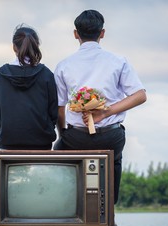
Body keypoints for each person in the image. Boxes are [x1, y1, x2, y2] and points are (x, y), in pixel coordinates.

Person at [54, 10, 147, 206]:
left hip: (75, 138)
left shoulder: (63, 66)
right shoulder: (118, 61)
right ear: (102, 33)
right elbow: (140, 95)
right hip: (110, 137)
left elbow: (59, 108)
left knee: (58, 152)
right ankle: (107, 213)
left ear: (75, 34)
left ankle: (70, 209)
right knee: (114, 160)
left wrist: (63, 133)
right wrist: (107, 112)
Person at [0, 24, 58, 150]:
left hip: (8, 142)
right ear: (37, 45)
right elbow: (53, 112)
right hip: (42, 143)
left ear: (14, 47)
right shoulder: (46, 74)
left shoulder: (2, 74)